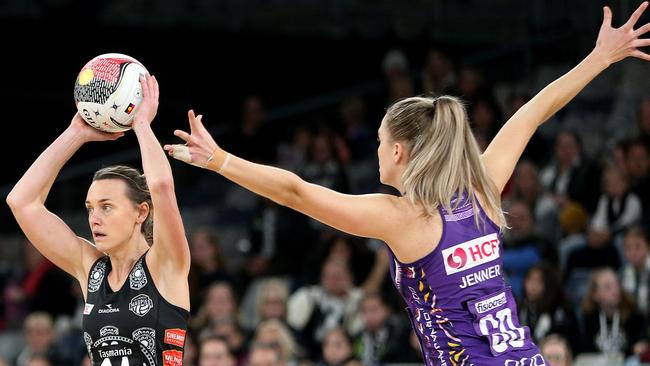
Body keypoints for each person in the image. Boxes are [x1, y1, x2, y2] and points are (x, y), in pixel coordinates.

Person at [165, 4, 650, 365]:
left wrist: (221, 160)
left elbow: (295, 192)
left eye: (379, 141)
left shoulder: (402, 218)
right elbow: (531, 114)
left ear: (398, 151)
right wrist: (600, 58)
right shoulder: (481, 189)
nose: (375, 151)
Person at [6, 74, 191, 365]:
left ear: (141, 212)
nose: (95, 218)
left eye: (107, 207)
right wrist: (75, 134)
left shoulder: (166, 262)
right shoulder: (89, 268)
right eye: (90, 208)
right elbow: (22, 202)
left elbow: (161, 188)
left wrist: (141, 124)